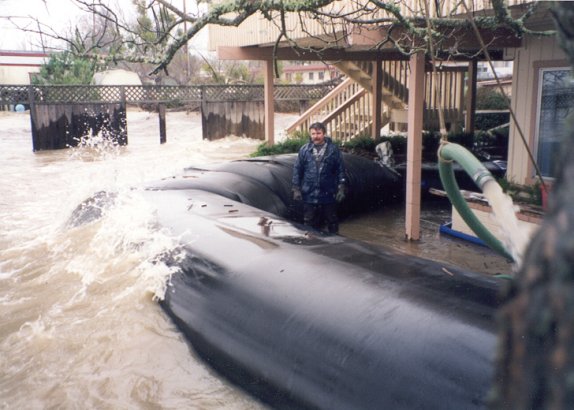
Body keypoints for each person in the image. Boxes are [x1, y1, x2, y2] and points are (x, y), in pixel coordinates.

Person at [291, 122, 347, 234]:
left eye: (318, 133)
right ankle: (311, 245)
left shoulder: (333, 150)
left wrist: (341, 187)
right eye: (313, 134)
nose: (315, 136)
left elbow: (340, 169)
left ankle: (336, 243)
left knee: (332, 220)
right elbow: (297, 170)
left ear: (324, 134)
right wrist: (296, 189)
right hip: (309, 193)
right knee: (309, 221)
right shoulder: (304, 150)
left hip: (328, 192)